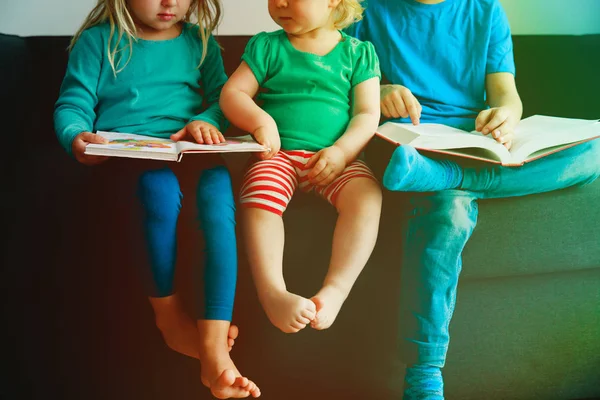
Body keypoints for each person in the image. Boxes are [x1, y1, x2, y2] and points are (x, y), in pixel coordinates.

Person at [346, 0, 600, 398]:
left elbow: (506, 95)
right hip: (407, 143)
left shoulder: (485, 11)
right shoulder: (366, 11)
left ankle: (451, 176)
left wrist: (505, 116)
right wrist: (377, 90)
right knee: (447, 211)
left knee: (592, 155)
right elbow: (335, 81)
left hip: (469, 143)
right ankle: (424, 377)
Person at [54, 0, 260, 398]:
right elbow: (73, 103)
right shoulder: (100, 41)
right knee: (159, 192)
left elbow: (223, 98)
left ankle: (215, 346)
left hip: (195, 149)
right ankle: (170, 321)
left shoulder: (199, 41)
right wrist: (77, 136)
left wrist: (208, 120)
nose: (170, 3)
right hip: (133, 151)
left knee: (218, 202)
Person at [220, 0, 382, 334]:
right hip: (277, 156)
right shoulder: (267, 46)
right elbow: (233, 93)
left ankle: (336, 289)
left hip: (335, 160)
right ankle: (273, 292)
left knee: (367, 197)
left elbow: (367, 114)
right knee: (258, 197)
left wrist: (342, 151)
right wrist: (261, 122)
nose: (280, 2)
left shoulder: (359, 53)